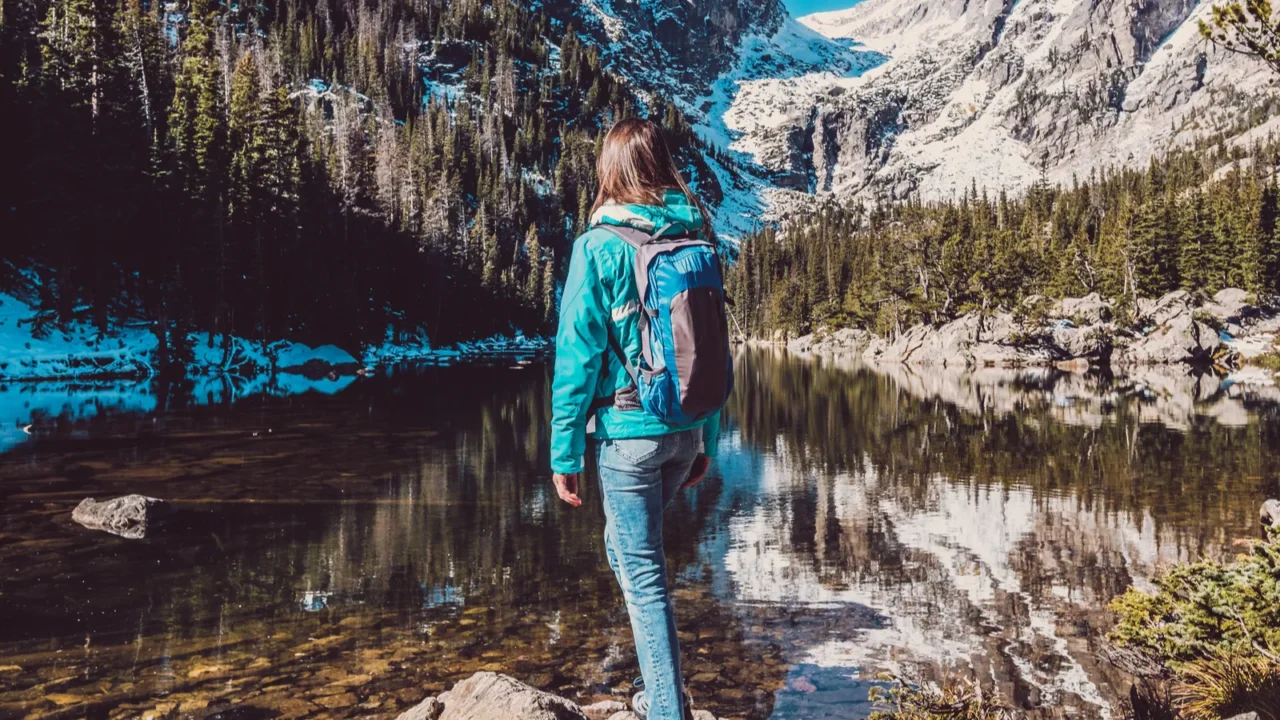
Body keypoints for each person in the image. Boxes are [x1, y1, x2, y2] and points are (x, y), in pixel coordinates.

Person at [549, 118, 725, 720]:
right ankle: (662, 692)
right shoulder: (695, 240)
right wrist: (707, 439)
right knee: (624, 550)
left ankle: (666, 710)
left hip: (628, 437)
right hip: (683, 434)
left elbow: (576, 358)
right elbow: (711, 349)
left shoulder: (598, 247)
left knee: (646, 584)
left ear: (611, 170)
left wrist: (563, 455)